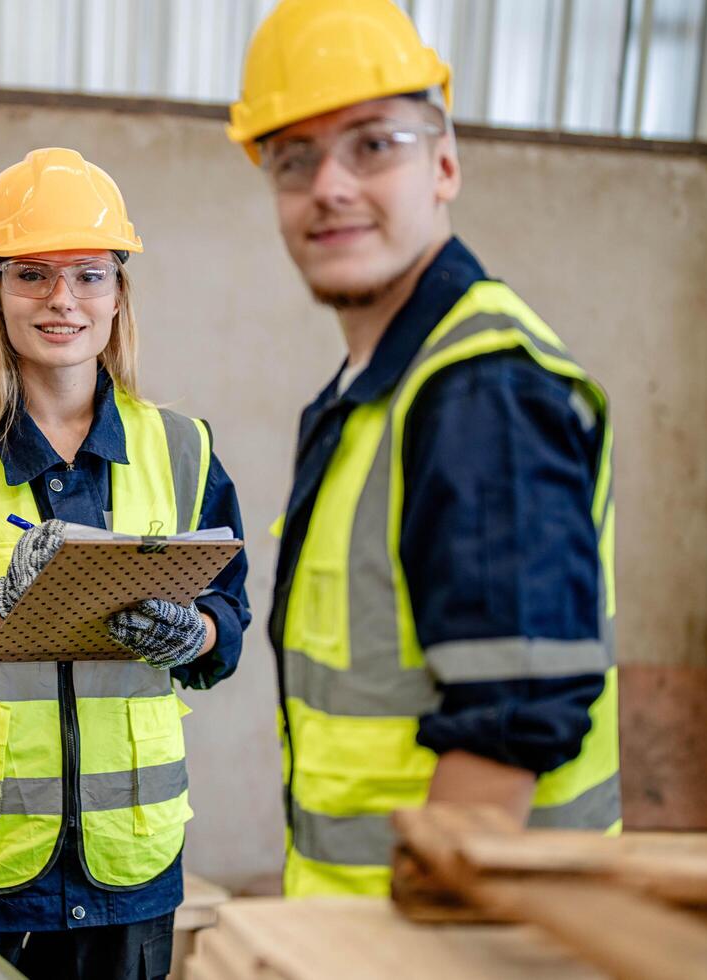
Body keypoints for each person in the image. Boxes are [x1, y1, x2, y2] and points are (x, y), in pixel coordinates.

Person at [227, 0, 621, 897]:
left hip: (461, 941)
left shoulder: (479, 389)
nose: (328, 184)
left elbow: (514, 711)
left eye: (373, 144)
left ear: (444, 163)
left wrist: (411, 940)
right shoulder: (382, 389)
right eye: (295, 158)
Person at [0, 147, 251, 978]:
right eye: (32, 274)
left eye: (88, 275)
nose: (61, 299)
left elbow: (230, 613)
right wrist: (2, 602)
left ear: (118, 294)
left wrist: (195, 635)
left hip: (126, 869)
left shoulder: (182, 450)